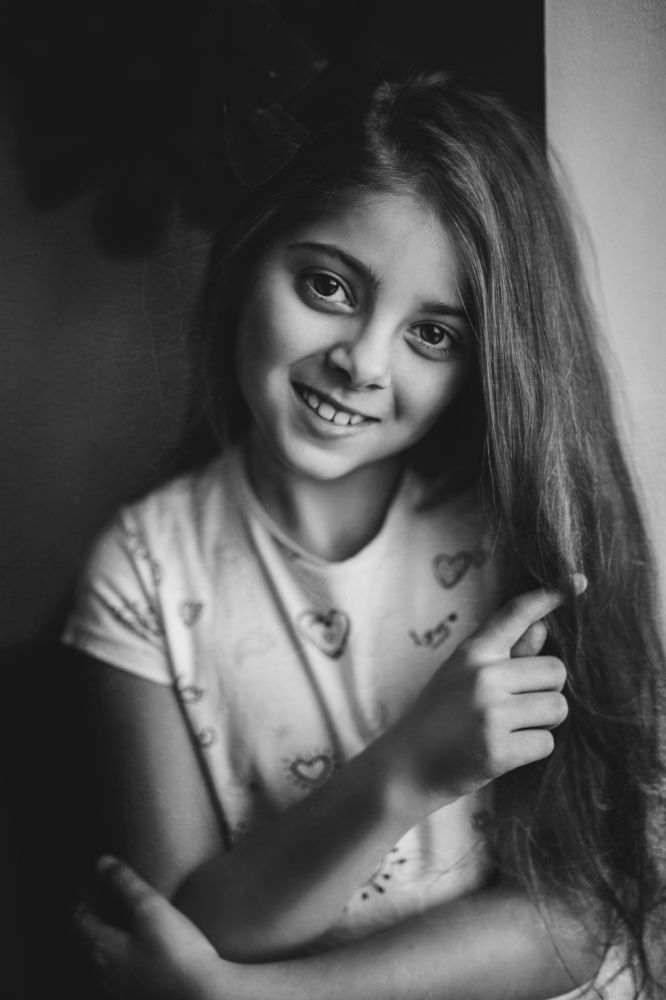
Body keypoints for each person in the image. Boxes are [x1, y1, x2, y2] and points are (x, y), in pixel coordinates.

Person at [66, 72, 665, 999]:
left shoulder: (518, 538)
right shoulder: (142, 571)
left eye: (433, 335)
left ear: (484, 363)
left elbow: (581, 914)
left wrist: (247, 998)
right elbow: (182, 930)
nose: (362, 362)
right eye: (328, 285)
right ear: (248, 256)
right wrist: (407, 771)